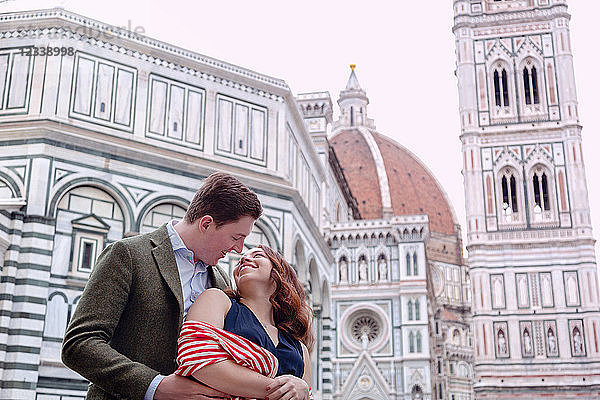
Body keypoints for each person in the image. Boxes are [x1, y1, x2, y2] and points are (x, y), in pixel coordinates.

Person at [62, 172, 267, 400]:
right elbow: (79, 344)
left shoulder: (221, 280)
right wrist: (155, 386)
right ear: (206, 223)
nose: (239, 249)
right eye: (235, 237)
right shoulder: (128, 254)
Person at [176, 245, 313, 400]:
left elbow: (306, 394)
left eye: (258, 255)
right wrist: (286, 391)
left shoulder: (299, 348)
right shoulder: (218, 301)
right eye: (241, 259)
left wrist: (304, 391)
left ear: (280, 273)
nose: (244, 258)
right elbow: (196, 357)